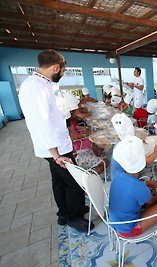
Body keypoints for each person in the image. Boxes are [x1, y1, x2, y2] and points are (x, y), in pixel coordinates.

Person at [18, 49, 91, 232]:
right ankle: (75, 217)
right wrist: (56, 155)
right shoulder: (37, 88)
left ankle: (64, 213)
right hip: (55, 148)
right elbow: (41, 122)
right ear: (56, 67)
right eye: (64, 71)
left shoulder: (37, 84)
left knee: (58, 181)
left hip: (54, 146)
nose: (63, 74)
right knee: (75, 181)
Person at [109, 135, 157, 238]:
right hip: (129, 230)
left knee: (142, 200)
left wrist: (150, 185)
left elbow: (133, 186)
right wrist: (156, 194)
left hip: (114, 222)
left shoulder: (118, 175)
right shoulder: (138, 187)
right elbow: (151, 201)